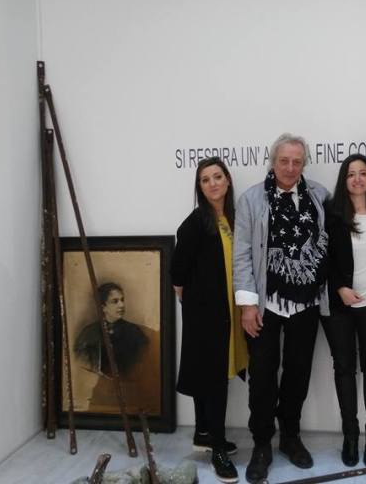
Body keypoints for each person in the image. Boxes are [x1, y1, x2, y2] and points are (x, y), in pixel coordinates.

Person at [233, 133, 330, 483]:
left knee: (298, 373)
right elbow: (242, 254)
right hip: (265, 303)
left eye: (297, 161)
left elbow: (351, 210)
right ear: (273, 162)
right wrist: (247, 305)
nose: (290, 168)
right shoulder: (251, 199)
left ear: (304, 163)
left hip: (306, 302)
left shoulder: (319, 195)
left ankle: (290, 436)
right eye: (284, 161)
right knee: (262, 377)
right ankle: (262, 444)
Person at [171, 157, 248, 484]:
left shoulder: (233, 218)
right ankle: (217, 448)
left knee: (212, 375)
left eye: (217, 177)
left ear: (228, 180)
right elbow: (177, 275)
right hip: (206, 314)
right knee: (213, 378)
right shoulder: (194, 224)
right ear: (200, 187)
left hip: (230, 310)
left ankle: (204, 433)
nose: (213, 184)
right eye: (205, 180)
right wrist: (196, 304)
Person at [324, 154, 366, 467]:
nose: (357, 179)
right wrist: (339, 287)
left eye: (363, 173)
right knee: (344, 369)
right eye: (351, 174)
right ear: (344, 179)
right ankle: (350, 437)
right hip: (341, 306)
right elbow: (323, 257)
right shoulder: (332, 213)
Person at [74, 282, 161, 414]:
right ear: (103, 307)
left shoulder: (135, 333)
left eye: (122, 300)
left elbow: (142, 368)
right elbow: (82, 366)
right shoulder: (88, 334)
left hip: (129, 396)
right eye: (115, 301)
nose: (121, 305)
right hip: (100, 396)